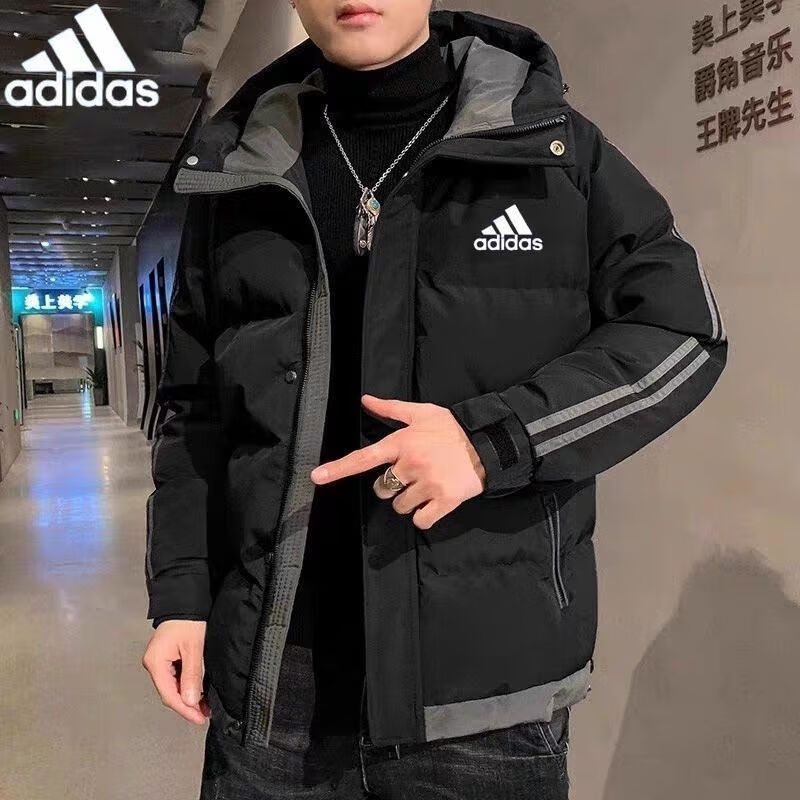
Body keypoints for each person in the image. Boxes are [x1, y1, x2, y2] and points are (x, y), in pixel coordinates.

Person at [142, 3, 728, 798]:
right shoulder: (241, 172)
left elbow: (682, 330)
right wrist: (181, 597)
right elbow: (194, 411)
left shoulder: (549, 147)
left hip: (482, 695)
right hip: (276, 683)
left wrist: (497, 442)